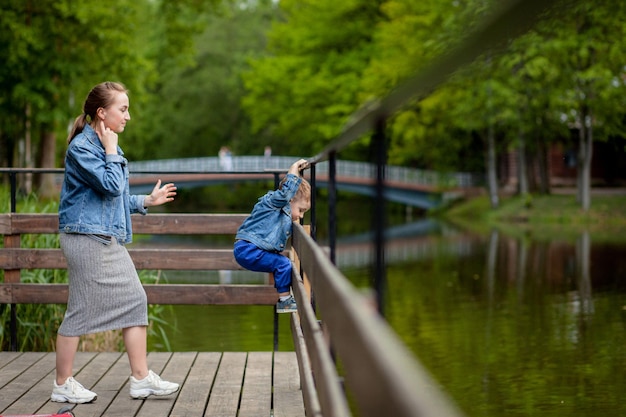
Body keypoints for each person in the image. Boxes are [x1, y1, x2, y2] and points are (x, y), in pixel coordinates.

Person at [53, 82, 180, 404]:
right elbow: (110, 186)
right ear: (101, 112)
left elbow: (113, 199)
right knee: (81, 310)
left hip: (101, 236)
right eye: (122, 109)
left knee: (135, 300)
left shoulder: (107, 146)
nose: (128, 116)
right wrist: (111, 150)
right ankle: (62, 383)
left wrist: (145, 202)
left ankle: (140, 378)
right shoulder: (84, 148)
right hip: (84, 238)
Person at [234, 159, 311, 313]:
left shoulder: (281, 205)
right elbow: (288, 191)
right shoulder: (275, 202)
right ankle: (285, 301)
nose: (301, 216)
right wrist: (294, 169)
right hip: (248, 250)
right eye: (300, 210)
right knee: (283, 264)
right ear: (289, 200)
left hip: (249, 249)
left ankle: (285, 299)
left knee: (281, 263)